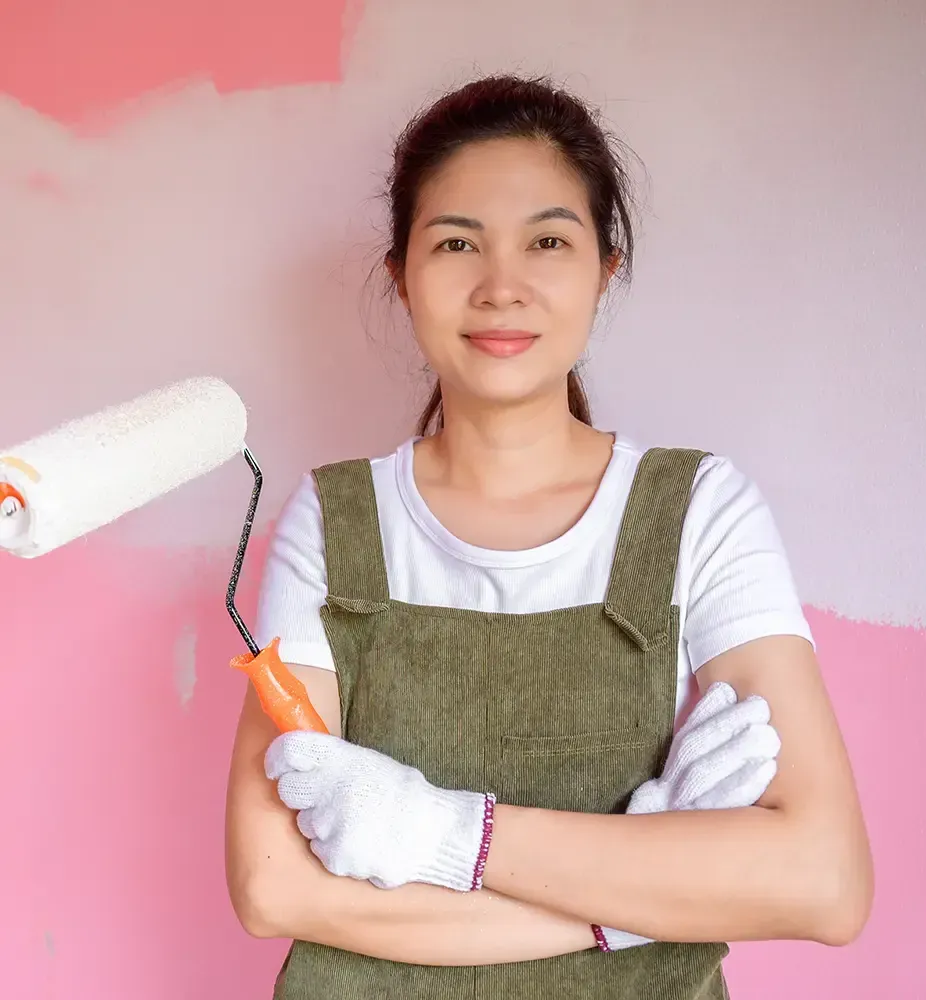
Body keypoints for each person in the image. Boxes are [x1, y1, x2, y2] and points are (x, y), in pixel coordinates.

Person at [224, 74, 873, 998]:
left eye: (548, 241)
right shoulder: (331, 521)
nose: (501, 286)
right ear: (400, 274)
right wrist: (643, 894)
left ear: (603, 269)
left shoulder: (700, 511)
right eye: (456, 243)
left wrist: (445, 837)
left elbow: (825, 881)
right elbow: (271, 887)